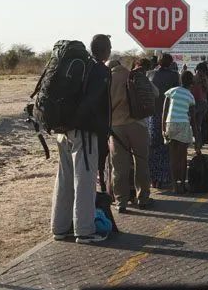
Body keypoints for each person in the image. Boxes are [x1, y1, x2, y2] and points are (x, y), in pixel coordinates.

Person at [51, 34, 111, 244]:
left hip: (62, 130)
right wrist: (78, 123)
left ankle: (59, 228)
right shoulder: (100, 70)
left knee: (64, 179)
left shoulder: (81, 66)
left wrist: (68, 124)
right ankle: (85, 231)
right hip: (82, 132)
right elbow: (92, 102)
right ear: (106, 50)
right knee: (84, 180)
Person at [107, 55, 156, 213]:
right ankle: (143, 198)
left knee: (119, 166)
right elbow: (155, 92)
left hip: (116, 128)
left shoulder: (107, 80)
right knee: (141, 162)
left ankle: (121, 201)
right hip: (138, 124)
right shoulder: (133, 75)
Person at [163, 71, 200, 194]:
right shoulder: (190, 96)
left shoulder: (172, 91)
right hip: (183, 124)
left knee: (173, 157)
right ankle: (183, 184)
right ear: (191, 83)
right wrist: (196, 140)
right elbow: (193, 120)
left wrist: (163, 128)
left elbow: (164, 111)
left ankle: (174, 185)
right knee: (182, 157)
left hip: (170, 124)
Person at [148, 54, 179, 189]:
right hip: (168, 115)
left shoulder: (149, 74)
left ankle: (153, 178)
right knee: (166, 147)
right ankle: (163, 177)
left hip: (151, 115)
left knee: (152, 147)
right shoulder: (174, 75)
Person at [192, 62, 208, 149]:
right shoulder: (207, 78)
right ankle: (198, 142)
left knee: (197, 124)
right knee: (198, 124)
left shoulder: (204, 79)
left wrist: (200, 78)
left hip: (200, 102)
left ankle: (198, 142)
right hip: (202, 102)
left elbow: (207, 87)